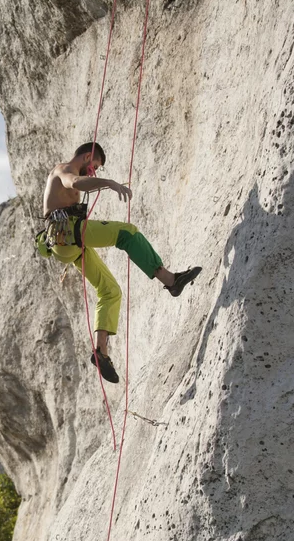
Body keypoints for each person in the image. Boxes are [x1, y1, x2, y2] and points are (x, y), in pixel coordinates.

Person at [36, 142, 201, 383]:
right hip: (66, 234)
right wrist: (109, 183)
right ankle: (170, 280)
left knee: (110, 291)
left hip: (67, 243)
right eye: (94, 166)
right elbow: (74, 182)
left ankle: (101, 352)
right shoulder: (62, 169)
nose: (93, 172)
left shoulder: (71, 172)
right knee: (127, 232)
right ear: (86, 156)